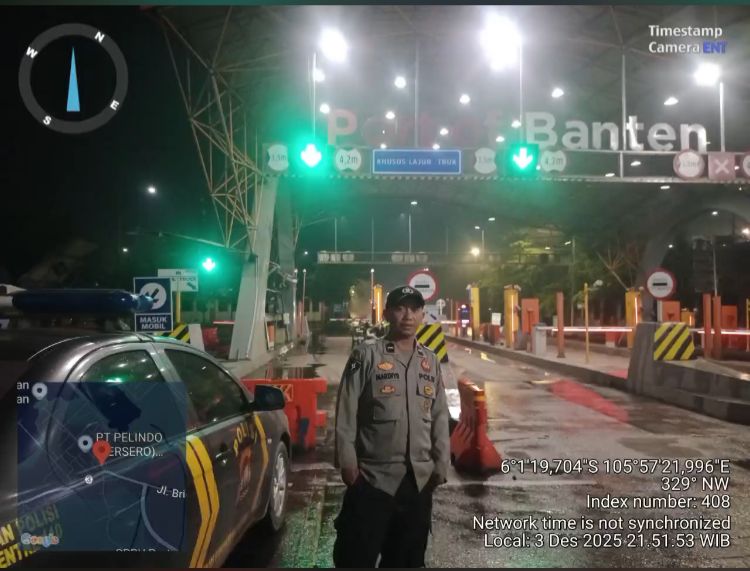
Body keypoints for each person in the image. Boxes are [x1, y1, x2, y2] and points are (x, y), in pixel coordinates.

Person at [333, 285, 450, 568]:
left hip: (417, 483)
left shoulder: (430, 361)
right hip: (372, 479)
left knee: (407, 561)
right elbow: (346, 411)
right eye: (400, 308)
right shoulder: (365, 356)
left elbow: (439, 416)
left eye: (414, 309)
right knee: (355, 560)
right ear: (387, 314)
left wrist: (441, 464)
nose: (407, 316)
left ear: (423, 315)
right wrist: (348, 464)